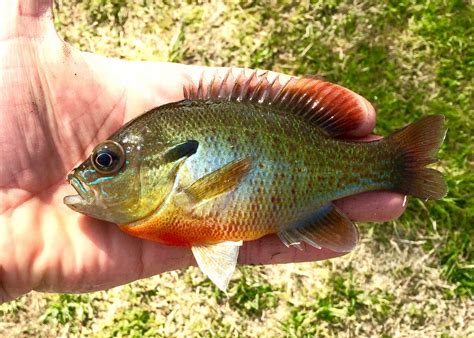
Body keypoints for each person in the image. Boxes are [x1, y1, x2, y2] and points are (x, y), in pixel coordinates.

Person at [0, 0, 406, 303]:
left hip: (298, 182)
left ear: (166, 162)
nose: (94, 171)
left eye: (109, 161)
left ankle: (397, 163)